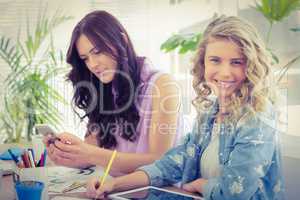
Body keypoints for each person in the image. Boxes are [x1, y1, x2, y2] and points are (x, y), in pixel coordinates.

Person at [86, 15, 285, 200]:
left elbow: (235, 192)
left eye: (236, 62)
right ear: (203, 63)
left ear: (251, 65)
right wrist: (114, 184)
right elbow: (172, 163)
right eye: (215, 60)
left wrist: (202, 185)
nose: (225, 72)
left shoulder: (258, 115)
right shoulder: (209, 113)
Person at [43, 10, 182, 175]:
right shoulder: (105, 88)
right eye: (85, 58)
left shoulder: (162, 85)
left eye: (97, 52)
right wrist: (66, 155)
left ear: (121, 41)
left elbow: (159, 162)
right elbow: (91, 153)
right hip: (114, 189)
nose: (92, 64)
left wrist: (89, 153)